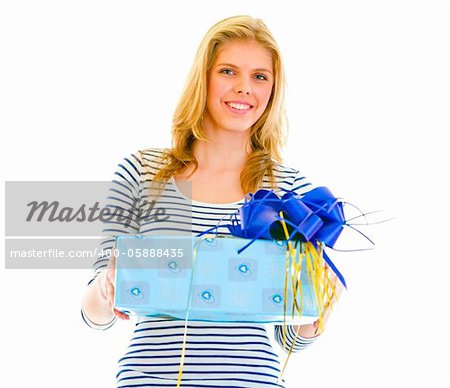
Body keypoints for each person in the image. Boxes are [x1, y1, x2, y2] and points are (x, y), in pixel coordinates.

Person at [81, 15, 339, 388]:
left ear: (273, 89)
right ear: (203, 77)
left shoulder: (289, 190)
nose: (244, 89)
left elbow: (292, 338)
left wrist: (316, 307)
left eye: (260, 76)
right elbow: (94, 312)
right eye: (229, 71)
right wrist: (106, 289)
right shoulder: (142, 172)